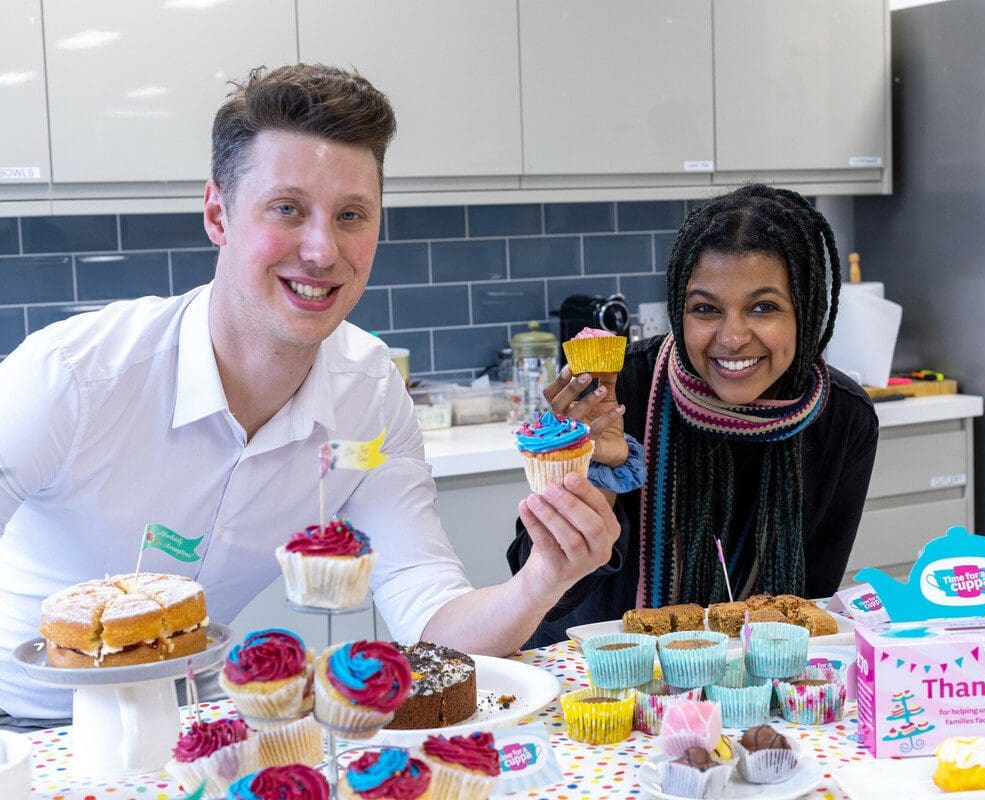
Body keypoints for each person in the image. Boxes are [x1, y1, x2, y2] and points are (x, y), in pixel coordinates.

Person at [0, 64, 618, 726]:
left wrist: (541, 580)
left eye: (351, 215)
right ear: (218, 212)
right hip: (25, 724)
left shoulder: (369, 391)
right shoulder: (74, 377)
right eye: (287, 209)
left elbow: (432, 621)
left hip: (194, 721)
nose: (323, 251)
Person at [509, 184, 880, 647]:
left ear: (804, 311)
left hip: (751, 680)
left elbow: (811, 604)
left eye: (763, 307)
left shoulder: (843, 418)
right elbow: (544, 592)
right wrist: (589, 465)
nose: (732, 336)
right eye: (705, 309)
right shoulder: (618, 393)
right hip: (595, 676)